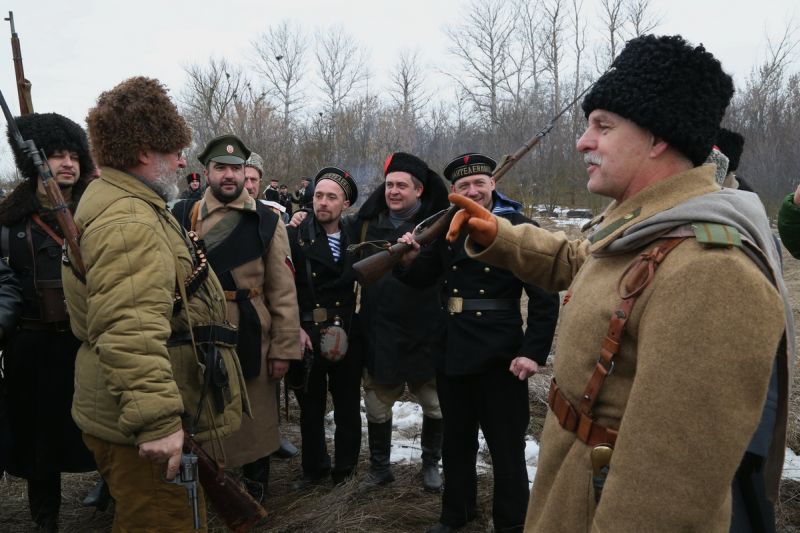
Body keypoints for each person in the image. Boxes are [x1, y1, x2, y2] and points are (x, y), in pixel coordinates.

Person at [446, 35, 793, 532]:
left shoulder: (710, 270)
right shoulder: (647, 226)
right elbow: (585, 262)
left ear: (657, 139)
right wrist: (498, 233)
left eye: (602, 127)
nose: (583, 142)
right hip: (574, 486)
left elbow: (668, 495)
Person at [63, 77, 249, 532]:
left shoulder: (133, 206)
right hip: (145, 420)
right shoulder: (129, 220)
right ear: (146, 151)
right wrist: (159, 423)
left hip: (141, 406)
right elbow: (127, 328)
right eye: (175, 150)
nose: (183, 160)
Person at [396, 153, 559, 533]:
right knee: (456, 442)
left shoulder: (518, 227)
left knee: (506, 449)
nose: (473, 191)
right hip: (452, 349)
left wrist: (532, 353)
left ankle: (511, 523)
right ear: (454, 192)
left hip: (502, 353)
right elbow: (423, 278)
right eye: (464, 186)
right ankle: (456, 515)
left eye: (479, 184)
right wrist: (409, 257)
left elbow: (544, 295)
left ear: (492, 185)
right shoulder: (446, 227)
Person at [172, 134, 301, 503]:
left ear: (247, 172)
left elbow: (283, 291)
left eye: (236, 168)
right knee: (201, 413)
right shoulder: (182, 215)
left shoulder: (266, 220)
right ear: (206, 172)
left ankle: (255, 492)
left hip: (250, 332)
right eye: (221, 168)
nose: (229, 175)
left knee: (255, 418)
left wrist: (284, 348)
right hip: (196, 334)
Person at [0, 112, 97, 531]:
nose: (67, 164)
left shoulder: (96, 214)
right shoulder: (9, 224)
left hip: (85, 344)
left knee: (103, 429)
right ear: (35, 162)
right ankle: (46, 522)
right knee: (39, 444)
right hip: (31, 348)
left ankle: (116, 501)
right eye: (56, 155)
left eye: (74, 155)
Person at [355, 152, 449, 492]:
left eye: (401, 186)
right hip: (380, 331)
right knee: (378, 408)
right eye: (389, 184)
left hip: (426, 330)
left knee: (435, 406)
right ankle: (380, 468)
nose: (393, 191)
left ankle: (430, 465)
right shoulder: (366, 223)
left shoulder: (437, 227)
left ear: (419, 190)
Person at [286, 166, 363, 489]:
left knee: (347, 406)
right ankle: (314, 467)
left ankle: (346, 470)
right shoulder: (293, 235)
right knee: (311, 407)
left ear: (345, 204)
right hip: (307, 328)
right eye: (319, 195)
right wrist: (294, 328)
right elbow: (281, 287)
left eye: (332, 197)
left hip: (347, 328)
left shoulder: (357, 236)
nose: (323, 202)